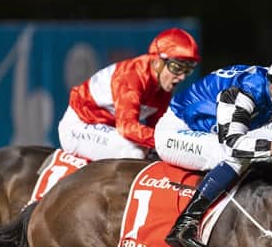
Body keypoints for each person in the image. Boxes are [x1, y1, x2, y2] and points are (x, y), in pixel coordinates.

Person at [157, 50, 272, 247]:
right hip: (175, 132)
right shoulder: (242, 92)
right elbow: (234, 144)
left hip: (208, 131)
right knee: (237, 156)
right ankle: (184, 224)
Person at [58, 27, 201, 161]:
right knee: (134, 152)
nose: (182, 77)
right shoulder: (131, 76)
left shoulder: (163, 86)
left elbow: (157, 128)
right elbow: (127, 128)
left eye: (188, 70)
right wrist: (171, 142)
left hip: (109, 130)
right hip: (79, 127)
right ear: (157, 62)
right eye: (177, 67)